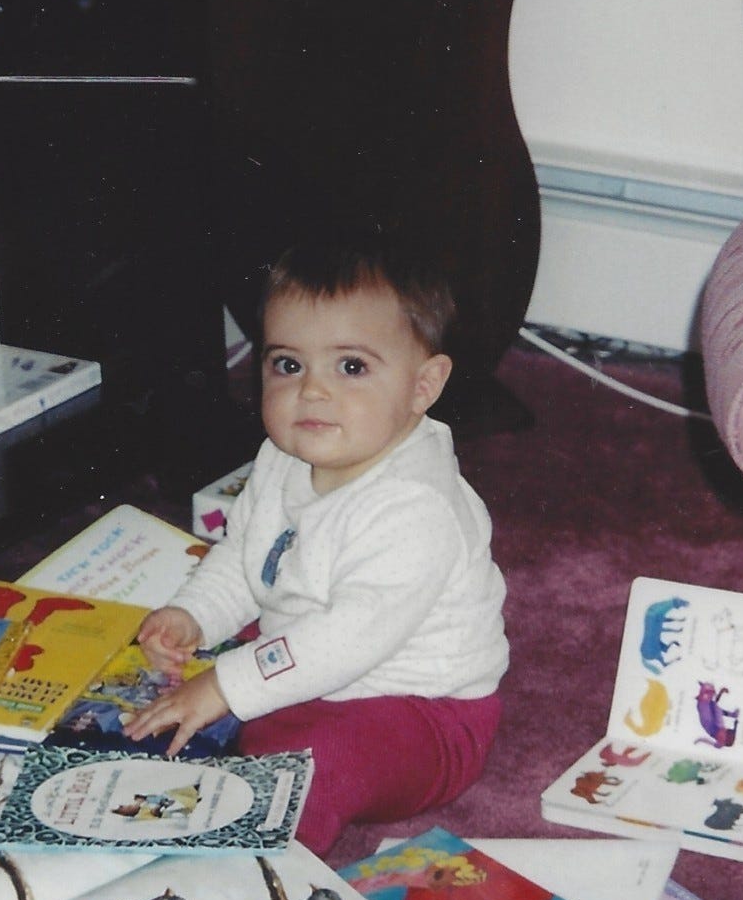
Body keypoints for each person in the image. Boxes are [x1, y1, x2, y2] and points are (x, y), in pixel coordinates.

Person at [122, 237, 508, 855]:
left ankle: (266, 865)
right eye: (288, 365)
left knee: (311, 760)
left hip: (419, 711)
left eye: (350, 367)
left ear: (423, 386)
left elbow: (349, 638)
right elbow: (247, 555)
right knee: (207, 688)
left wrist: (226, 685)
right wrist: (196, 613)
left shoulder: (415, 505)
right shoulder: (281, 456)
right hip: (312, 660)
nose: (312, 392)